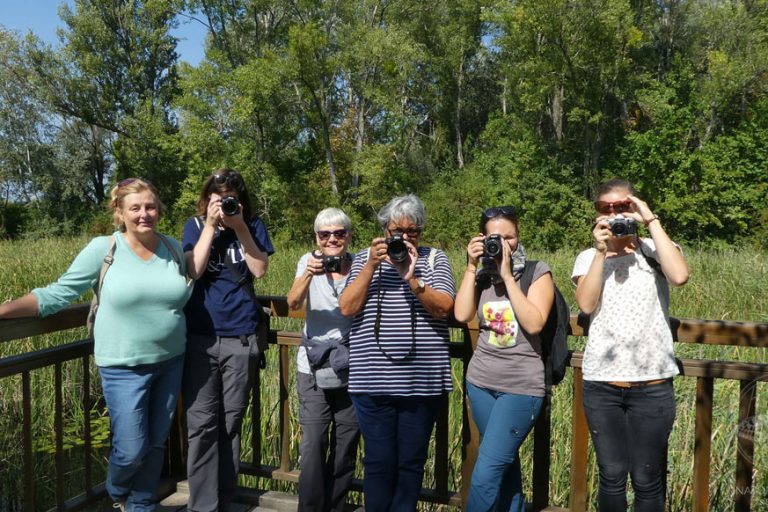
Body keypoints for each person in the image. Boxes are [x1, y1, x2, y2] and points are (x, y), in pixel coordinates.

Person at [0, 178, 189, 511]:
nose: (144, 214)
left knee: (156, 443)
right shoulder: (105, 249)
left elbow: (184, 293)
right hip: (122, 366)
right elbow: (58, 294)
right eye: (135, 208)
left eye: (150, 206)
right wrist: (5, 310)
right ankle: (117, 491)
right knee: (131, 449)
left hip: (171, 359)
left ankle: (142, 505)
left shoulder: (172, 248)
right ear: (120, 212)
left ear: (159, 209)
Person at [571, 178, 689, 511]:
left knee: (647, 477)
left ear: (634, 206)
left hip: (652, 383)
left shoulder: (654, 248)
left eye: (622, 206)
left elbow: (679, 276)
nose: (614, 214)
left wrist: (649, 220)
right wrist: (601, 252)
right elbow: (586, 304)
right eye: (605, 208)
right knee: (611, 475)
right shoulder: (588, 256)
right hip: (602, 383)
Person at [338, 194, 455, 512]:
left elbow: (443, 308)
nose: (404, 237)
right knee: (378, 462)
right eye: (397, 231)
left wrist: (411, 277)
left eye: (412, 231)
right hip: (372, 381)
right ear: (384, 230)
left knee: (411, 463)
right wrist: (371, 266)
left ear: (421, 232)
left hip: (422, 383)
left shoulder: (435, 259)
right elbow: (347, 307)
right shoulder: (365, 259)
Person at [181, 168, 274, 512]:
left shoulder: (253, 225)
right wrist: (210, 225)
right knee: (201, 424)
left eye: (230, 199)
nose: (224, 205)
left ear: (241, 201)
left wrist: (240, 228)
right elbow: (194, 270)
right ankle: (202, 505)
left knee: (230, 423)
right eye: (218, 199)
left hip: (240, 336)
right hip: (201, 337)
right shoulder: (194, 226)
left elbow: (259, 269)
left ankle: (223, 499)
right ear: (207, 199)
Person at [453, 206, 555, 511]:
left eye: (509, 237)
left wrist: (509, 277)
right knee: (505, 468)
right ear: (482, 239)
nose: (503, 244)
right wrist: (471, 266)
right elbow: (462, 314)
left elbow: (534, 323)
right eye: (494, 238)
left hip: (521, 388)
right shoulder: (482, 276)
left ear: (518, 237)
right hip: (481, 383)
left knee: (485, 474)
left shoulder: (538, 272)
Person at [287, 207, 361, 512]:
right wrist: (308, 273)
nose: (332, 239)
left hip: (351, 364)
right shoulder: (307, 261)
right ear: (316, 237)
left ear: (349, 236)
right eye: (324, 234)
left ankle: (336, 505)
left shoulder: (359, 265)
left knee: (346, 442)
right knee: (314, 443)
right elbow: (293, 303)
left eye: (339, 233)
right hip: (313, 366)